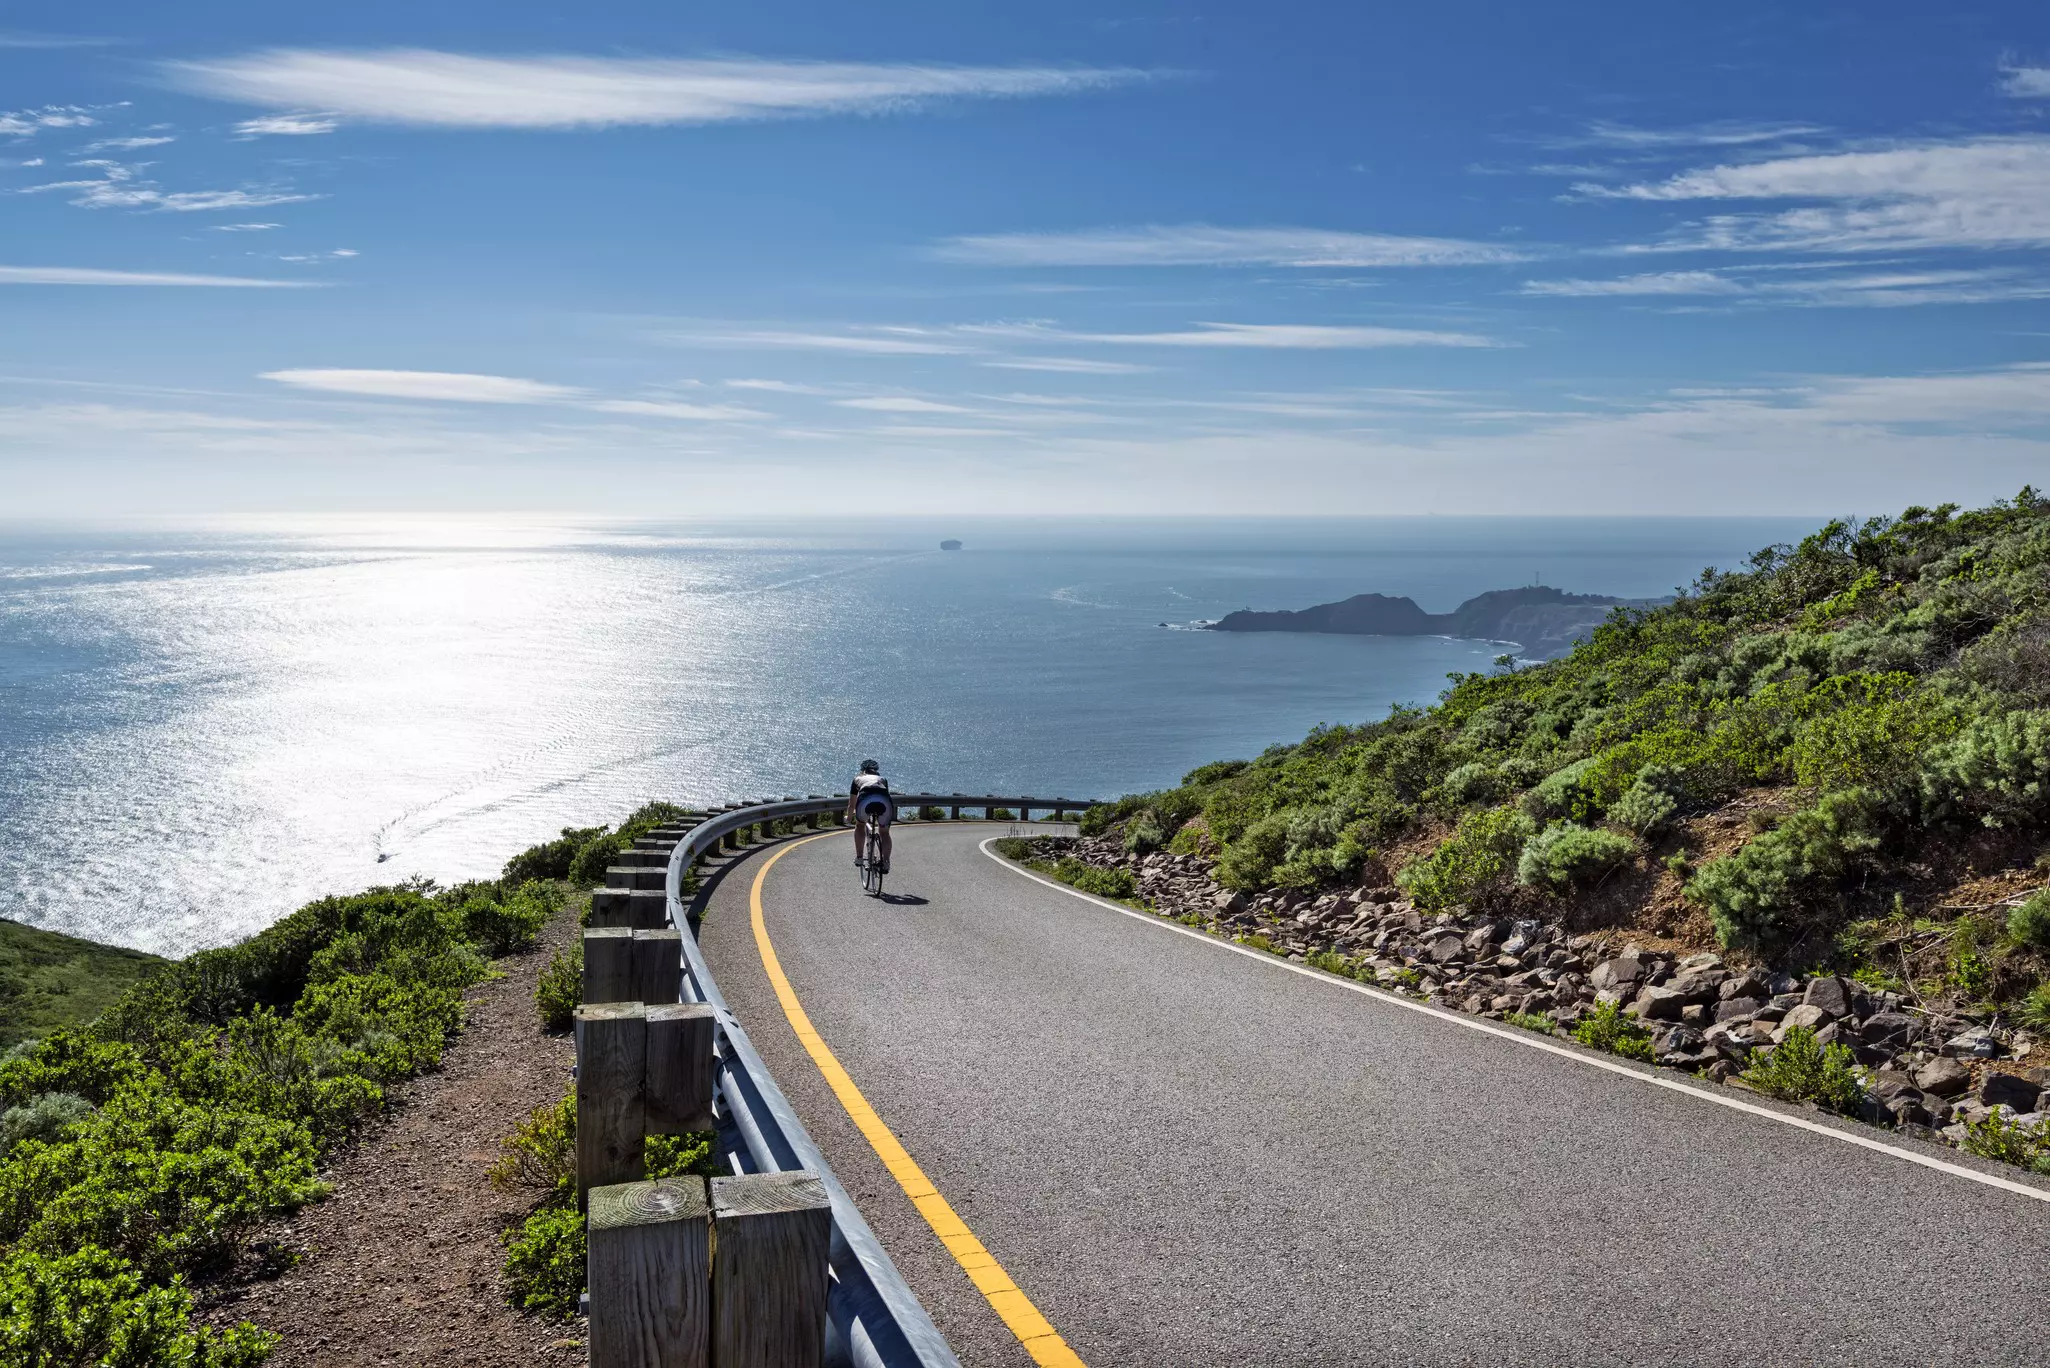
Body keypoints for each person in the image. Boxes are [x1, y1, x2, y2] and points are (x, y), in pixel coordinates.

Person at [847, 758, 894, 874]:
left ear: (863, 770)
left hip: (865, 800)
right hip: (884, 802)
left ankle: (859, 857)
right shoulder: (883, 779)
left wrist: (848, 818)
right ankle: (886, 862)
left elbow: (851, 804)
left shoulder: (857, 779)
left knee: (860, 826)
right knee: (884, 832)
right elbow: (886, 795)